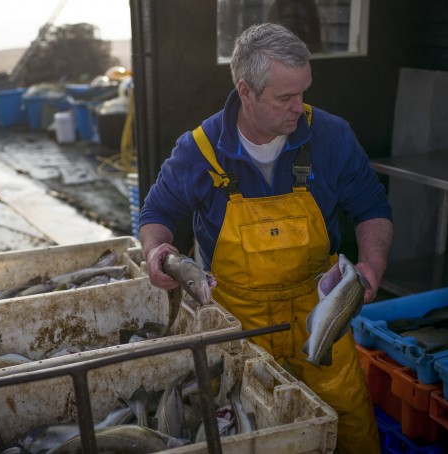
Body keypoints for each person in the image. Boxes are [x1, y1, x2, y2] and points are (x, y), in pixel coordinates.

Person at [138, 23, 393, 453]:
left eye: (304, 93)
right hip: (239, 325)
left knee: (351, 424)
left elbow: (373, 209)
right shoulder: (197, 150)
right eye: (285, 98)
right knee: (250, 432)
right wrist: (156, 250)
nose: (299, 107)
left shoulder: (332, 136)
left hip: (322, 309)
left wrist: (372, 263)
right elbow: (156, 214)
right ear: (246, 92)